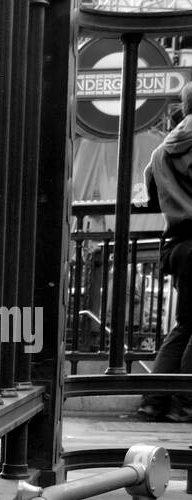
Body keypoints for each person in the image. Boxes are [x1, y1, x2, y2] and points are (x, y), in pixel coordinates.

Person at [137, 84, 192, 423]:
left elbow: (149, 187)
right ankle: (185, 403)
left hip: (177, 244)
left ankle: (154, 399)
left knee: (185, 324)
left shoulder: (163, 149)